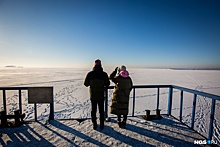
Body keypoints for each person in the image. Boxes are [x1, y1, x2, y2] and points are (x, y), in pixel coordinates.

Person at [84, 59, 110, 130]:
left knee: (93, 110)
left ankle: (94, 124)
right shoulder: (104, 74)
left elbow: (86, 84)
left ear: (94, 65)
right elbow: (107, 84)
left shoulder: (90, 74)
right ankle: (102, 124)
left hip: (93, 95)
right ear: (101, 65)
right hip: (101, 95)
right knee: (101, 110)